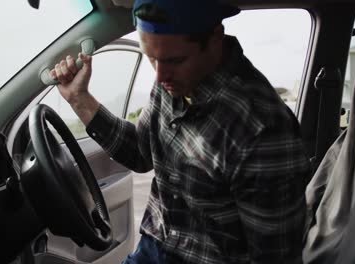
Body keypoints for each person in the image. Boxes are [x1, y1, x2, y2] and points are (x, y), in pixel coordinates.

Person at [51, 0, 311, 263]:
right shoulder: (171, 82)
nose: (161, 75)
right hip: (153, 248)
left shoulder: (263, 132)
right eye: (152, 58)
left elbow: (275, 258)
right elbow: (142, 153)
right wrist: (79, 99)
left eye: (175, 60)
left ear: (214, 39)